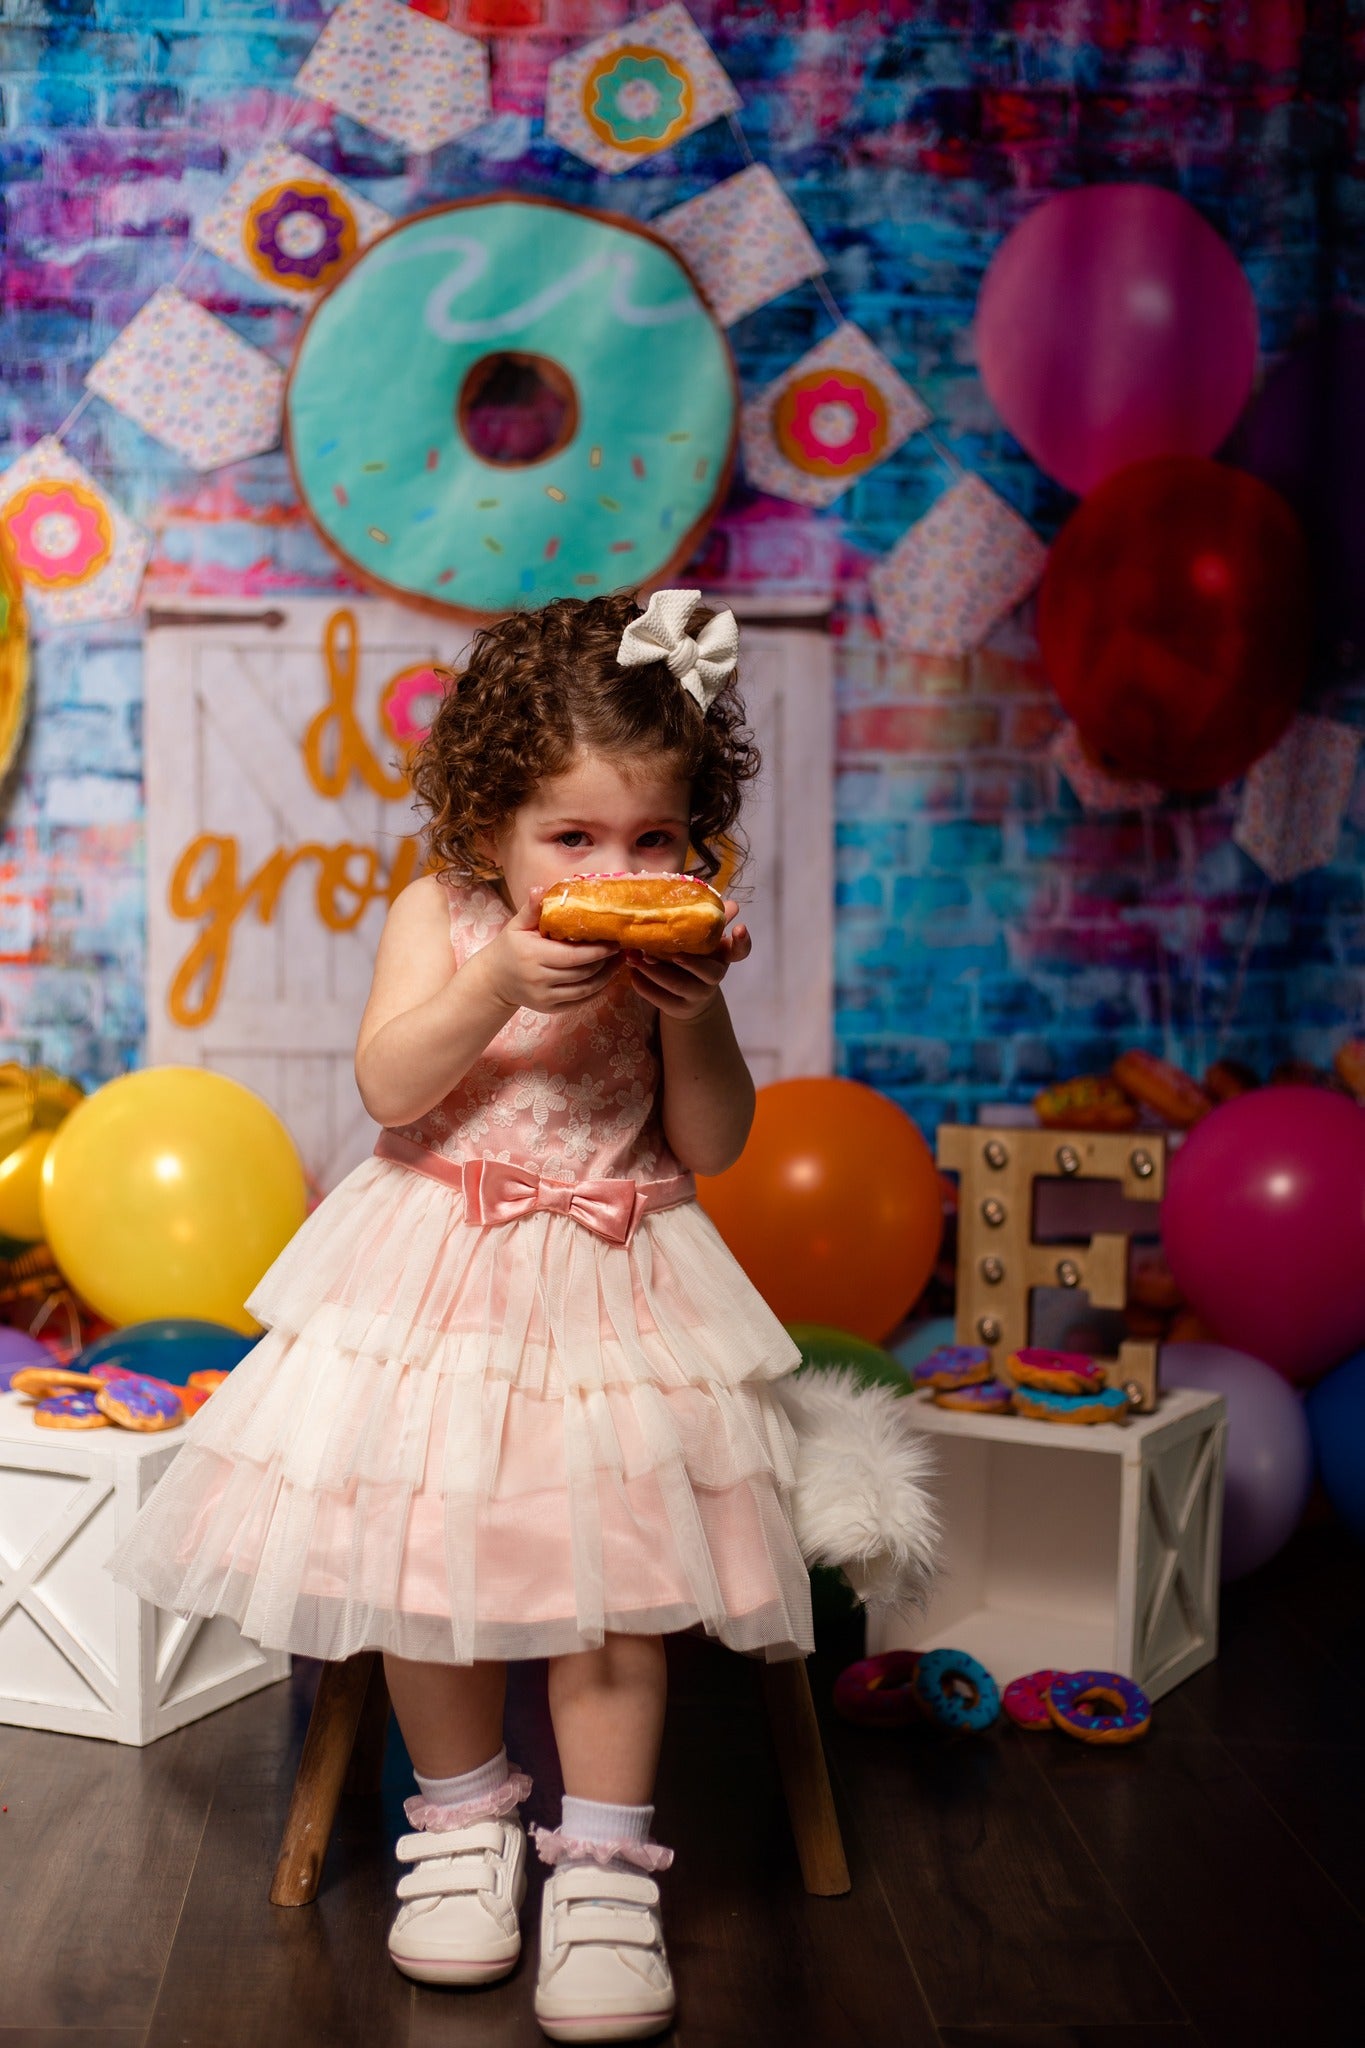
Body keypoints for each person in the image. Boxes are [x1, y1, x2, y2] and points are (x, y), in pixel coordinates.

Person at [109, 588, 815, 2043]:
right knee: (430, 1555)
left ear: (690, 840)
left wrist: (693, 1012)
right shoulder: (439, 914)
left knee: (614, 1583)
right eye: (571, 837)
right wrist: (494, 975)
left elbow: (715, 1139)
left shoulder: (678, 962)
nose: (613, 866)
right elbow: (390, 1085)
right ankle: (459, 1826)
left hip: (616, 1276)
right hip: (440, 1264)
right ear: (489, 826)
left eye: (651, 839)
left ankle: (609, 1865)